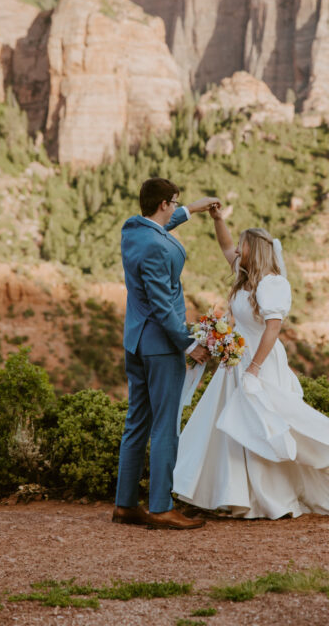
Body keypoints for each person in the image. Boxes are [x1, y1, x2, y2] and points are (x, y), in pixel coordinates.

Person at [173, 209, 329, 519]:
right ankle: (236, 497)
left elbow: (273, 329)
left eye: (242, 246)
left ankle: (268, 499)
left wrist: (254, 369)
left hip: (259, 361)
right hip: (235, 362)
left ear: (254, 250)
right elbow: (224, 245)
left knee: (260, 426)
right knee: (231, 428)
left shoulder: (272, 284)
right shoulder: (243, 276)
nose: (236, 251)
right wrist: (217, 218)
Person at [113, 177, 219, 530]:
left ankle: (125, 504)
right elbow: (161, 304)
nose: (174, 208)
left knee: (136, 423)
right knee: (165, 426)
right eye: (174, 203)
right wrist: (190, 344)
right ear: (162, 204)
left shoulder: (132, 231)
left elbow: (158, 227)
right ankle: (160, 507)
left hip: (136, 342)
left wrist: (193, 209)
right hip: (161, 345)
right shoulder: (158, 248)